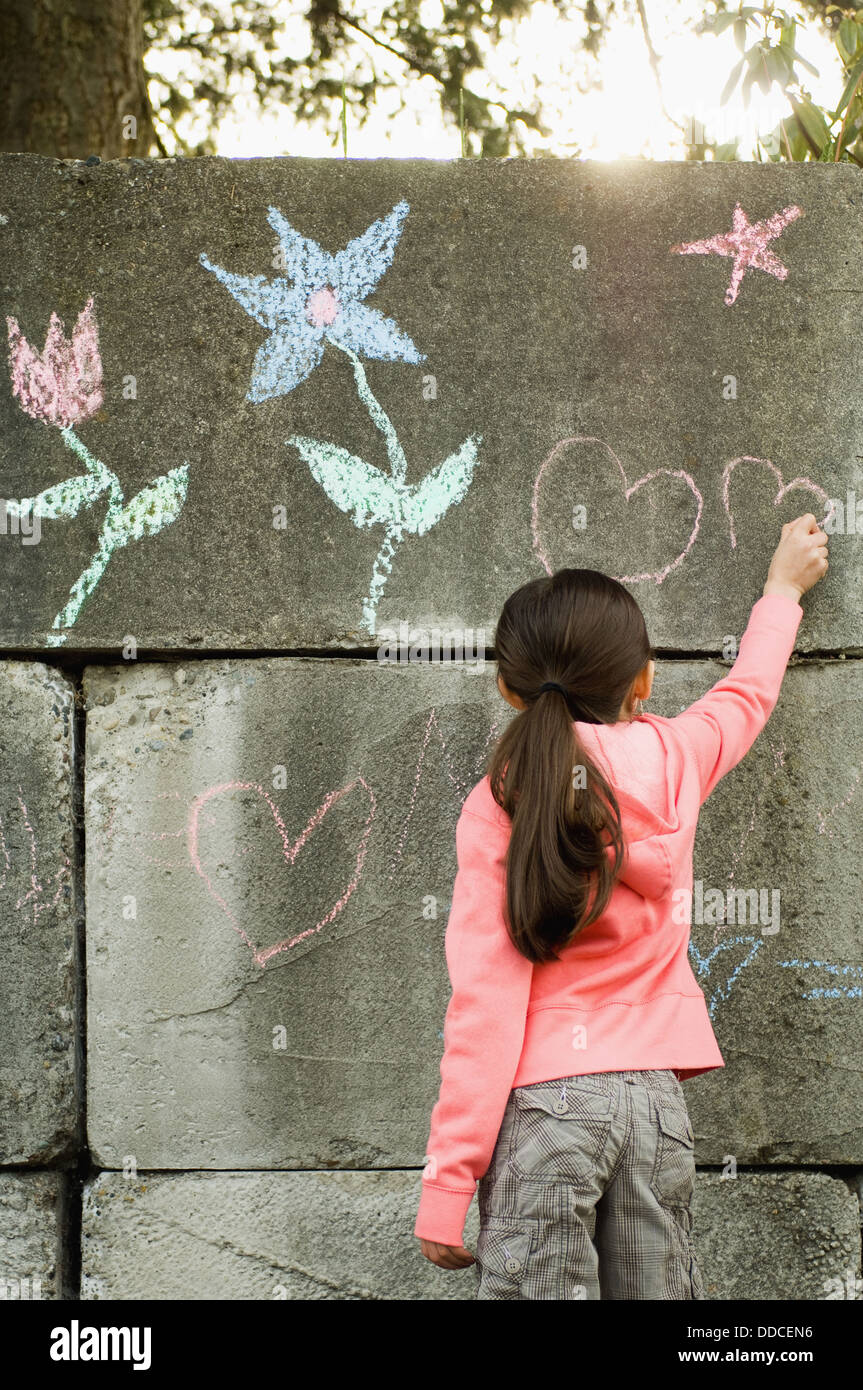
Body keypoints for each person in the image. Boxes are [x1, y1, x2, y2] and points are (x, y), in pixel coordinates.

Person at [414, 513, 829, 1299]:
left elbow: (484, 1002)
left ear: (508, 688)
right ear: (640, 682)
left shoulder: (501, 800)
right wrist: (781, 588)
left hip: (547, 1108)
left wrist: (448, 1183)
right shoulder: (677, 756)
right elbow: (746, 693)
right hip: (654, 1109)